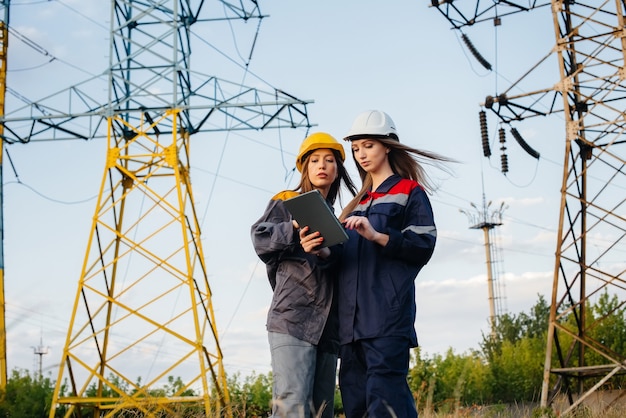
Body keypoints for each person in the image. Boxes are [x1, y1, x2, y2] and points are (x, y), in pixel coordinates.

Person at [336, 110, 452, 418]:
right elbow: (341, 263)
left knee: (387, 404)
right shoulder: (355, 204)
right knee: (356, 407)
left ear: (388, 145)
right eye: (356, 148)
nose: (361, 154)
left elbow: (422, 245)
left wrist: (377, 235)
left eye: (368, 145)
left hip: (386, 320)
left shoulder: (410, 193)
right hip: (349, 329)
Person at [251, 132, 358, 418]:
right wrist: (296, 227)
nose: (322, 165)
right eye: (314, 160)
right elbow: (261, 239)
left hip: (327, 329)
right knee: (292, 406)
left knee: (321, 410)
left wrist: (323, 253)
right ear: (304, 167)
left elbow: (338, 267)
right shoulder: (285, 201)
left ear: (338, 170)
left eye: (329, 160)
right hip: (293, 318)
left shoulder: (340, 219)